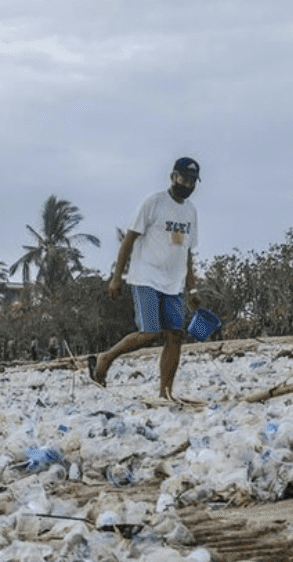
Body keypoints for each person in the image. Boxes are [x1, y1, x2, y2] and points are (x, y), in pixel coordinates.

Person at [89, 156, 201, 402]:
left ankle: (166, 392)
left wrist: (192, 290)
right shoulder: (154, 203)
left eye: (193, 181)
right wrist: (116, 277)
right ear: (173, 177)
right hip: (145, 277)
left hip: (174, 283)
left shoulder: (191, 211)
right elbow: (128, 240)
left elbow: (188, 251)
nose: (188, 184)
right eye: (184, 178)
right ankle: (106, 358)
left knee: (175, 335)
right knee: (150, 332)